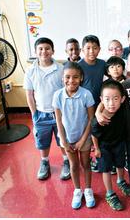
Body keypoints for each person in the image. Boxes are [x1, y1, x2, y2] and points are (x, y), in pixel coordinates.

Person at [24, 37, 70, 181]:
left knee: (62, 138)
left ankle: (66, 161)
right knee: (42, 140)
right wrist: (34, 114)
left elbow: (65, 92)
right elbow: (30, 94)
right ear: (36, 52)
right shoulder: (31, 71)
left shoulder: (61, 69)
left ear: (53, 51)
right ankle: (44, 162)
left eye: (47, 48)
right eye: (41, 49)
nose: (44, 51)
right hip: (41, 114)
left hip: (59, 114)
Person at [52, 62, 95, 209]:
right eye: (68, 77)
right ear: (62, 78)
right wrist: (63, 141)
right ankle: (78, 190)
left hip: (84, 137)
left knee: (85, 164)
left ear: (81, 78)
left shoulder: (86, 94)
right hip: (67, 138)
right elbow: (58, 120)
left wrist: (82, 140)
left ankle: (88, 189)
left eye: (75, 77)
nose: (71, 80)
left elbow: (91, 119)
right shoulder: (57, 95)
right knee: (74, 165)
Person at [91, 80, 130, 211]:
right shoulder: (99, 119)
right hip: (104, 147)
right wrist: (97, 149)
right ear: (101, 100)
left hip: (119, 143)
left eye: (115, 99)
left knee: (121, 164)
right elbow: (94, 134)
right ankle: (110, 193)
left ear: (122, 99)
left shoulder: (121, 109)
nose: (111, 103)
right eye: (107, 99)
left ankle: (121, 181)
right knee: (106, 169)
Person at [78, 35, 106, 172]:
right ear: (82, 50)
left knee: (98, 132)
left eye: (95, 48)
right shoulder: (78, 66)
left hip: (100, 105)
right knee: (86, 132)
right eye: (88, 48)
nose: (91, 51)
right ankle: (86, 158)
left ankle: (99, 158)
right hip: (83, 107)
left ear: (99, 49)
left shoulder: (102, 64)